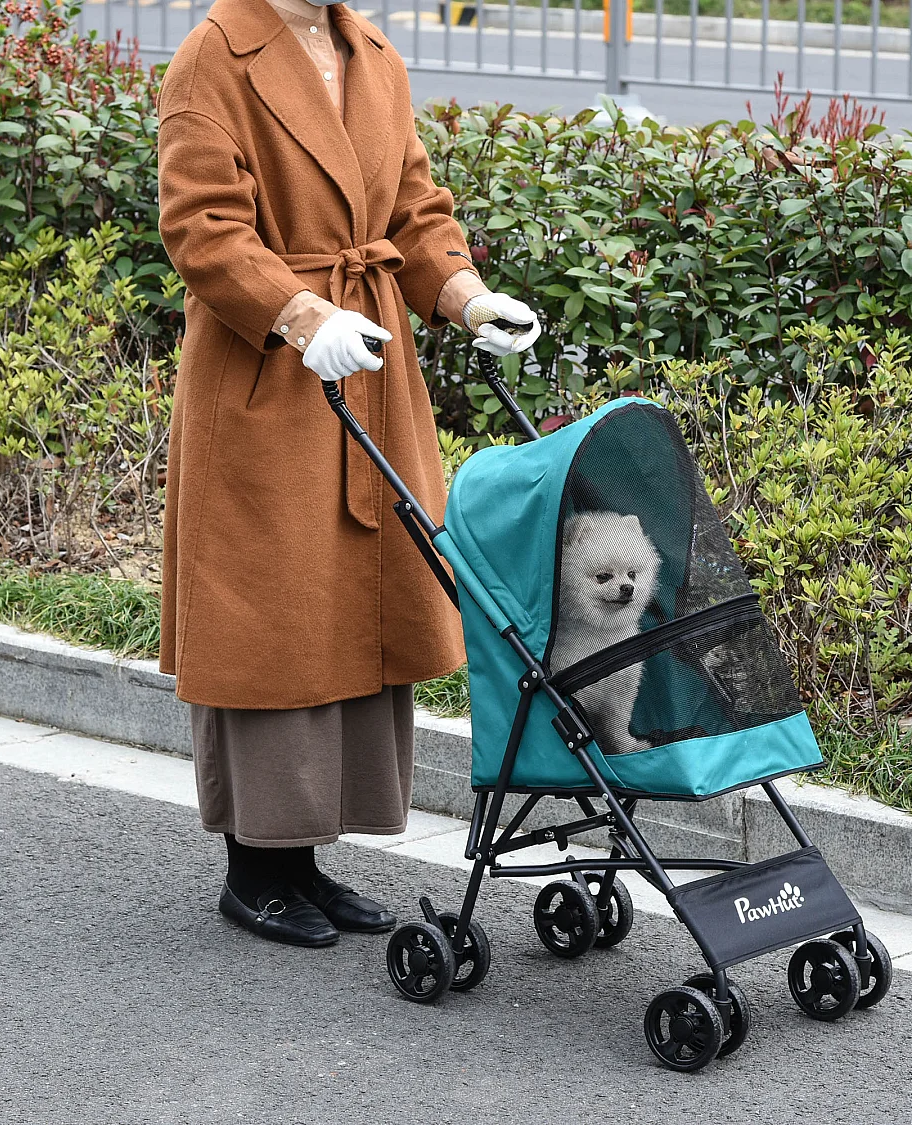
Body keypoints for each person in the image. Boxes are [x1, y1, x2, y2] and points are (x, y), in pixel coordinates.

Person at [155, 0, 541, 946]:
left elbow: (414, 209)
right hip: (268, 374)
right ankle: (257, 868)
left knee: (357, 605)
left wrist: (467, 295)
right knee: (273, 611)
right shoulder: (212, 56)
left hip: (366, 362)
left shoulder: (370, 52)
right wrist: (298, 315)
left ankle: (308, 860)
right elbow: (204, 228)